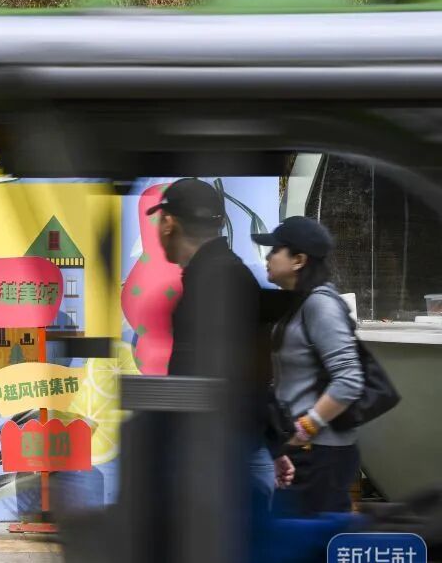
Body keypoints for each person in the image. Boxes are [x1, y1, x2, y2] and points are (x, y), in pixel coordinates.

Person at [150, 178, 295, 498]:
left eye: (159, 221)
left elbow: (234, 376)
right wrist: (271, 445)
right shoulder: (222, 273)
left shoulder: (213, 280)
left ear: (169, 222)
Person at [254, 217, 364, 517]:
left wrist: (304, 430)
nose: (267, 257)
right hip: (302, 450)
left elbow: (350, 379)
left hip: (320, 453)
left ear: (299, 260)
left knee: (317, 538)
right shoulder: (298, 304)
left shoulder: (320, 305)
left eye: (275, 250)